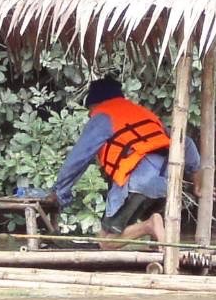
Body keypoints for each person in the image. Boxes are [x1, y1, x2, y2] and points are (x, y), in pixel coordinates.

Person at [49, 77, 201, 250]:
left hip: (138, 179)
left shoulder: (102, 117)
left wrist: (59, 192)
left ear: (94, 104)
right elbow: (186, 142)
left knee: (106, 242)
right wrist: (198, 181)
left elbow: (78, 158)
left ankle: (149, 225)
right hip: (168, 181)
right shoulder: (143, 113)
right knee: (109, 232)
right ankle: (159, 245)